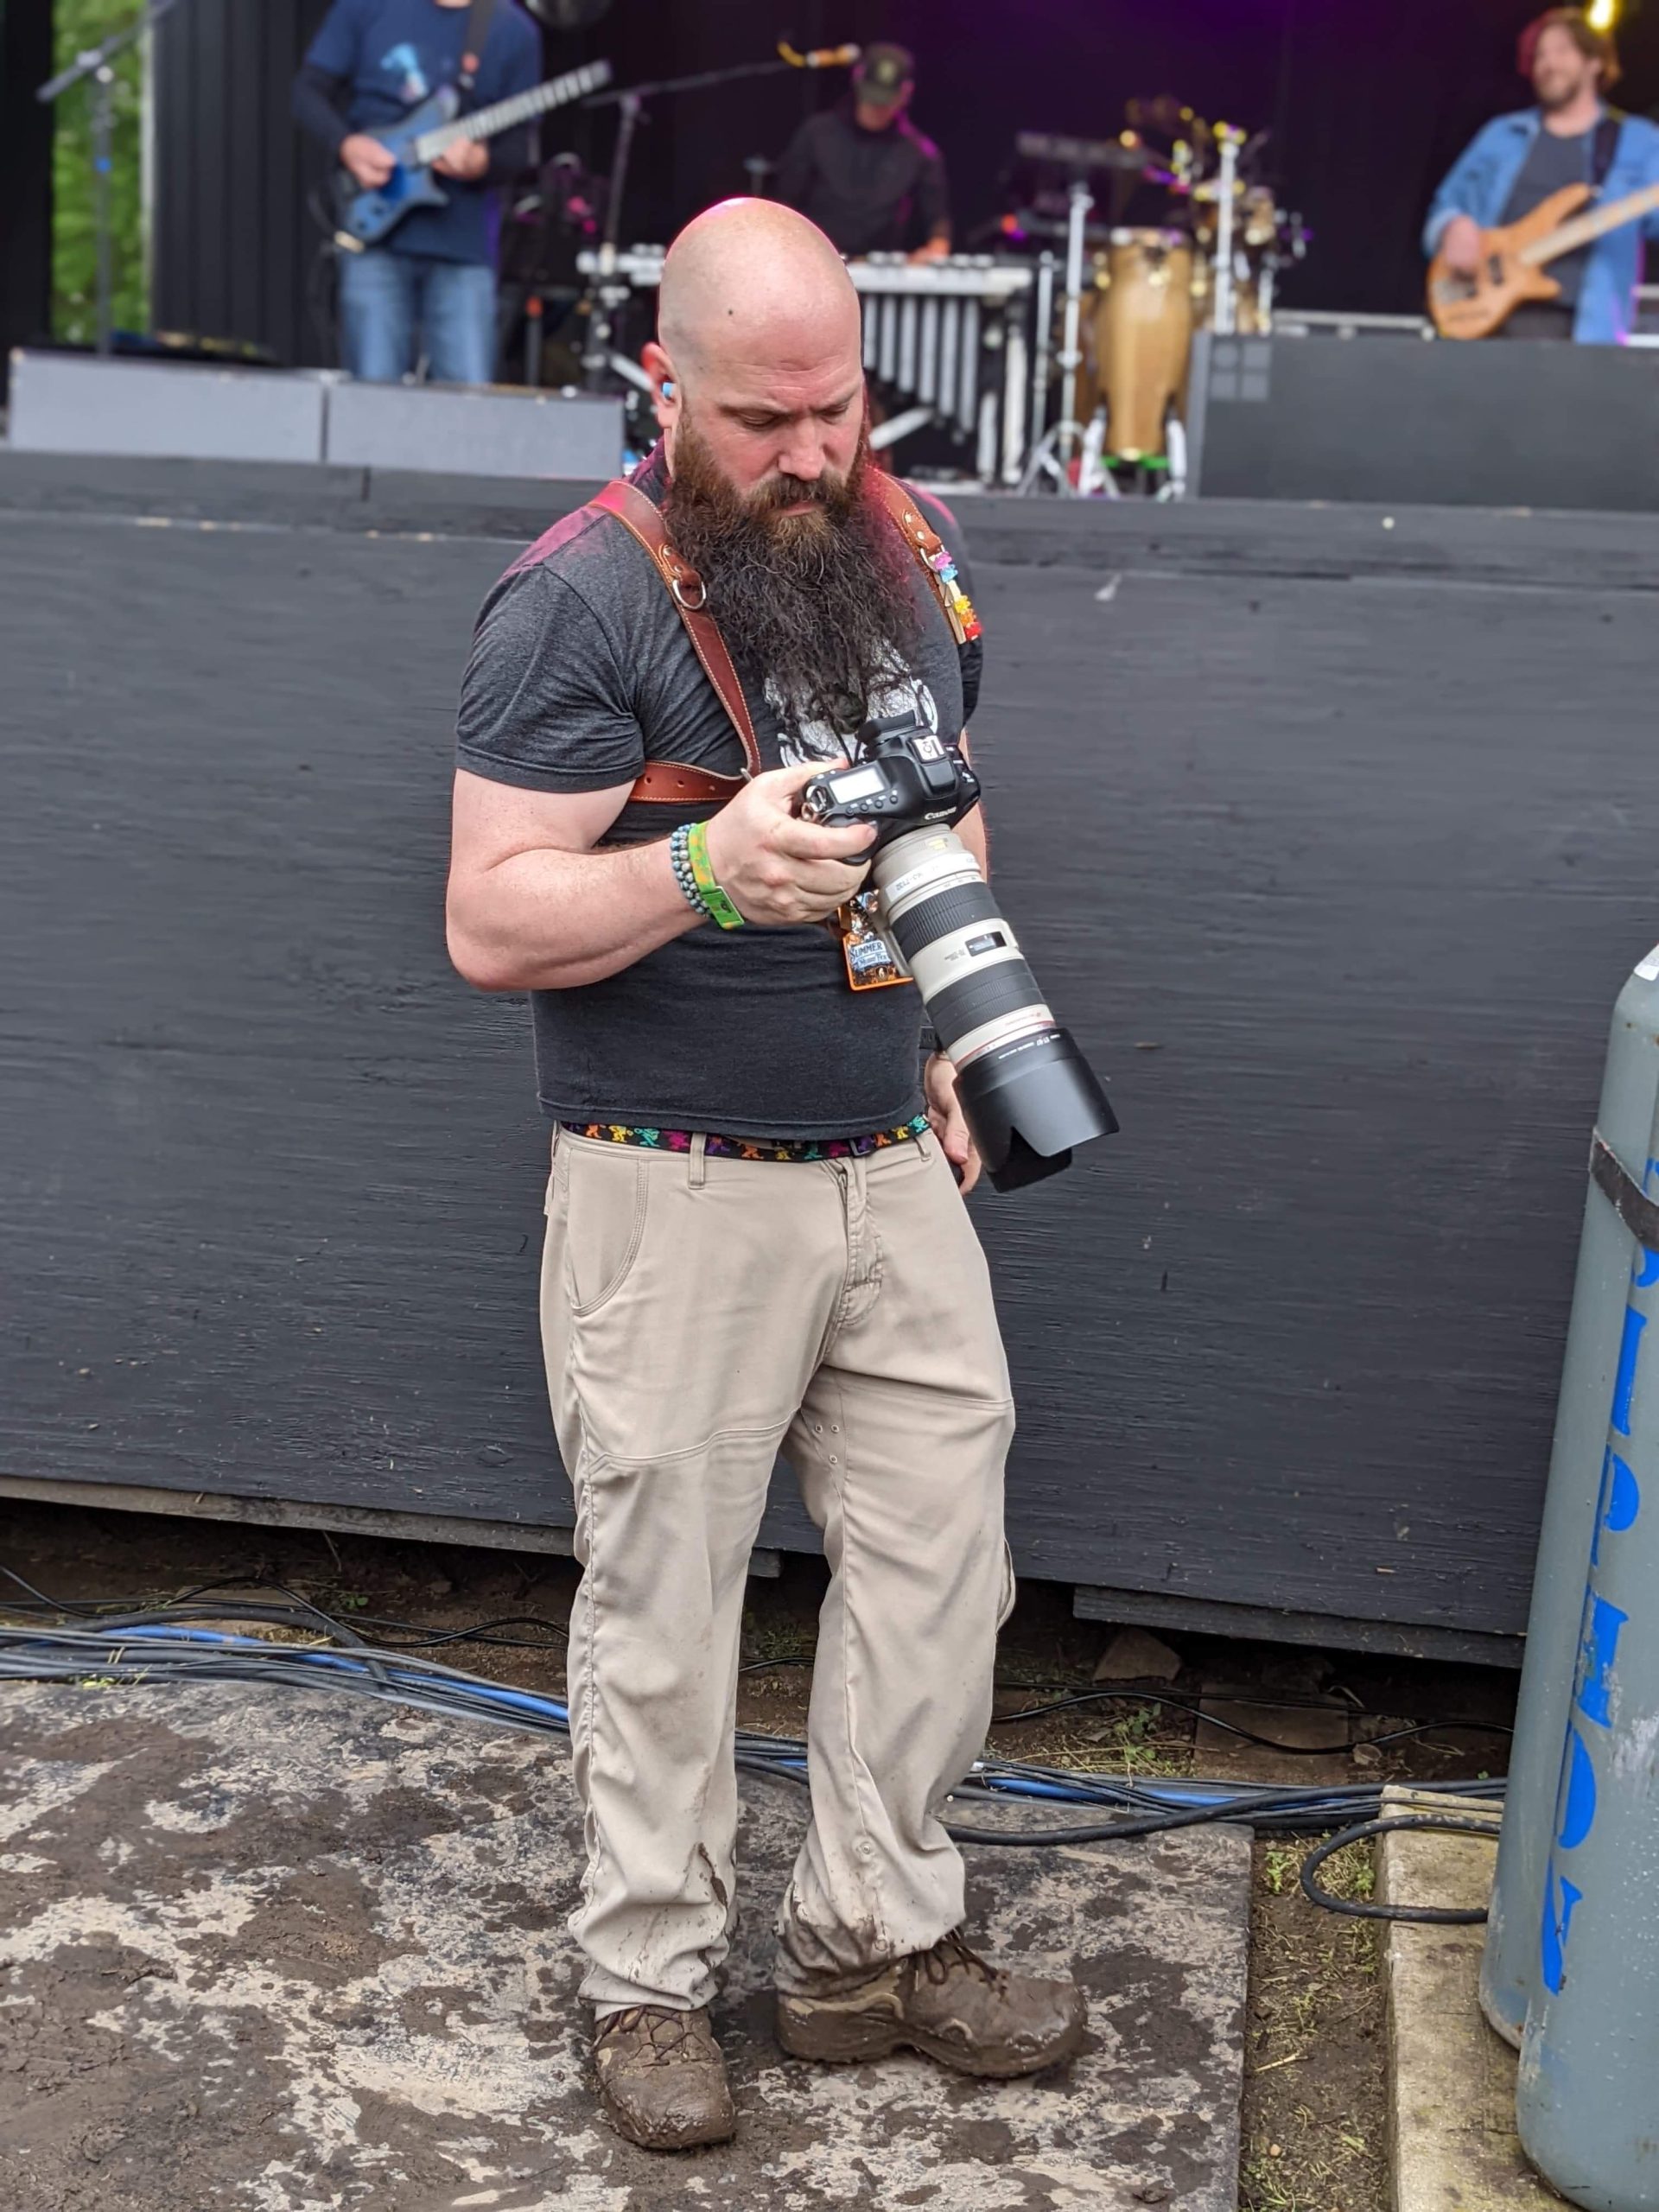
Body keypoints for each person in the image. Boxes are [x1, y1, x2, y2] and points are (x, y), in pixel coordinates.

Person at [446, 198, 1084, 2152]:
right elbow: (490, 916)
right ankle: (644, 1975)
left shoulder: (909, 551)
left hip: (888, 1152)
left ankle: (866, 1942)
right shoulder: (576, 600)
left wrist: (976, 1041)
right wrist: (701, 870)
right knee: (665, 1599)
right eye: (761, 418)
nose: (813, 454)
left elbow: (945, 787)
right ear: (664, 390)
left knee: (938, 1565)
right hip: (672, 1177)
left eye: (840, 408)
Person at [293, 0, 542, 384]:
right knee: (373, 402)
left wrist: (481, 161)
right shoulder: (365, 7)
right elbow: (307, 92)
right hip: (375, 236)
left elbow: (521, 150)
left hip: (464, 248)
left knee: (468, 407)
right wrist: (347, 145)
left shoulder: (512, 29)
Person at [1423, 6, 1659, 341]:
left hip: (1586, 332)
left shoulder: (1640, 141)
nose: (1548, 64)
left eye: (1562, 51)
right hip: (1485, 320)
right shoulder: (1502, 134)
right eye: (1539, 56)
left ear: (1595, 62)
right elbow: (1446, 206)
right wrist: (1452, 227)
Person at [774, 42, 952, 264]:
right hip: (813, 263)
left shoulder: (920, 153)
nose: (877, 108)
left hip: (880, 272)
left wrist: (935, 253)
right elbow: (783, 204)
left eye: (885, 100)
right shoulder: (817, 134)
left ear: (906, 93)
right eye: (872, 98)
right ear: (857, 80)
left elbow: (938, 222)